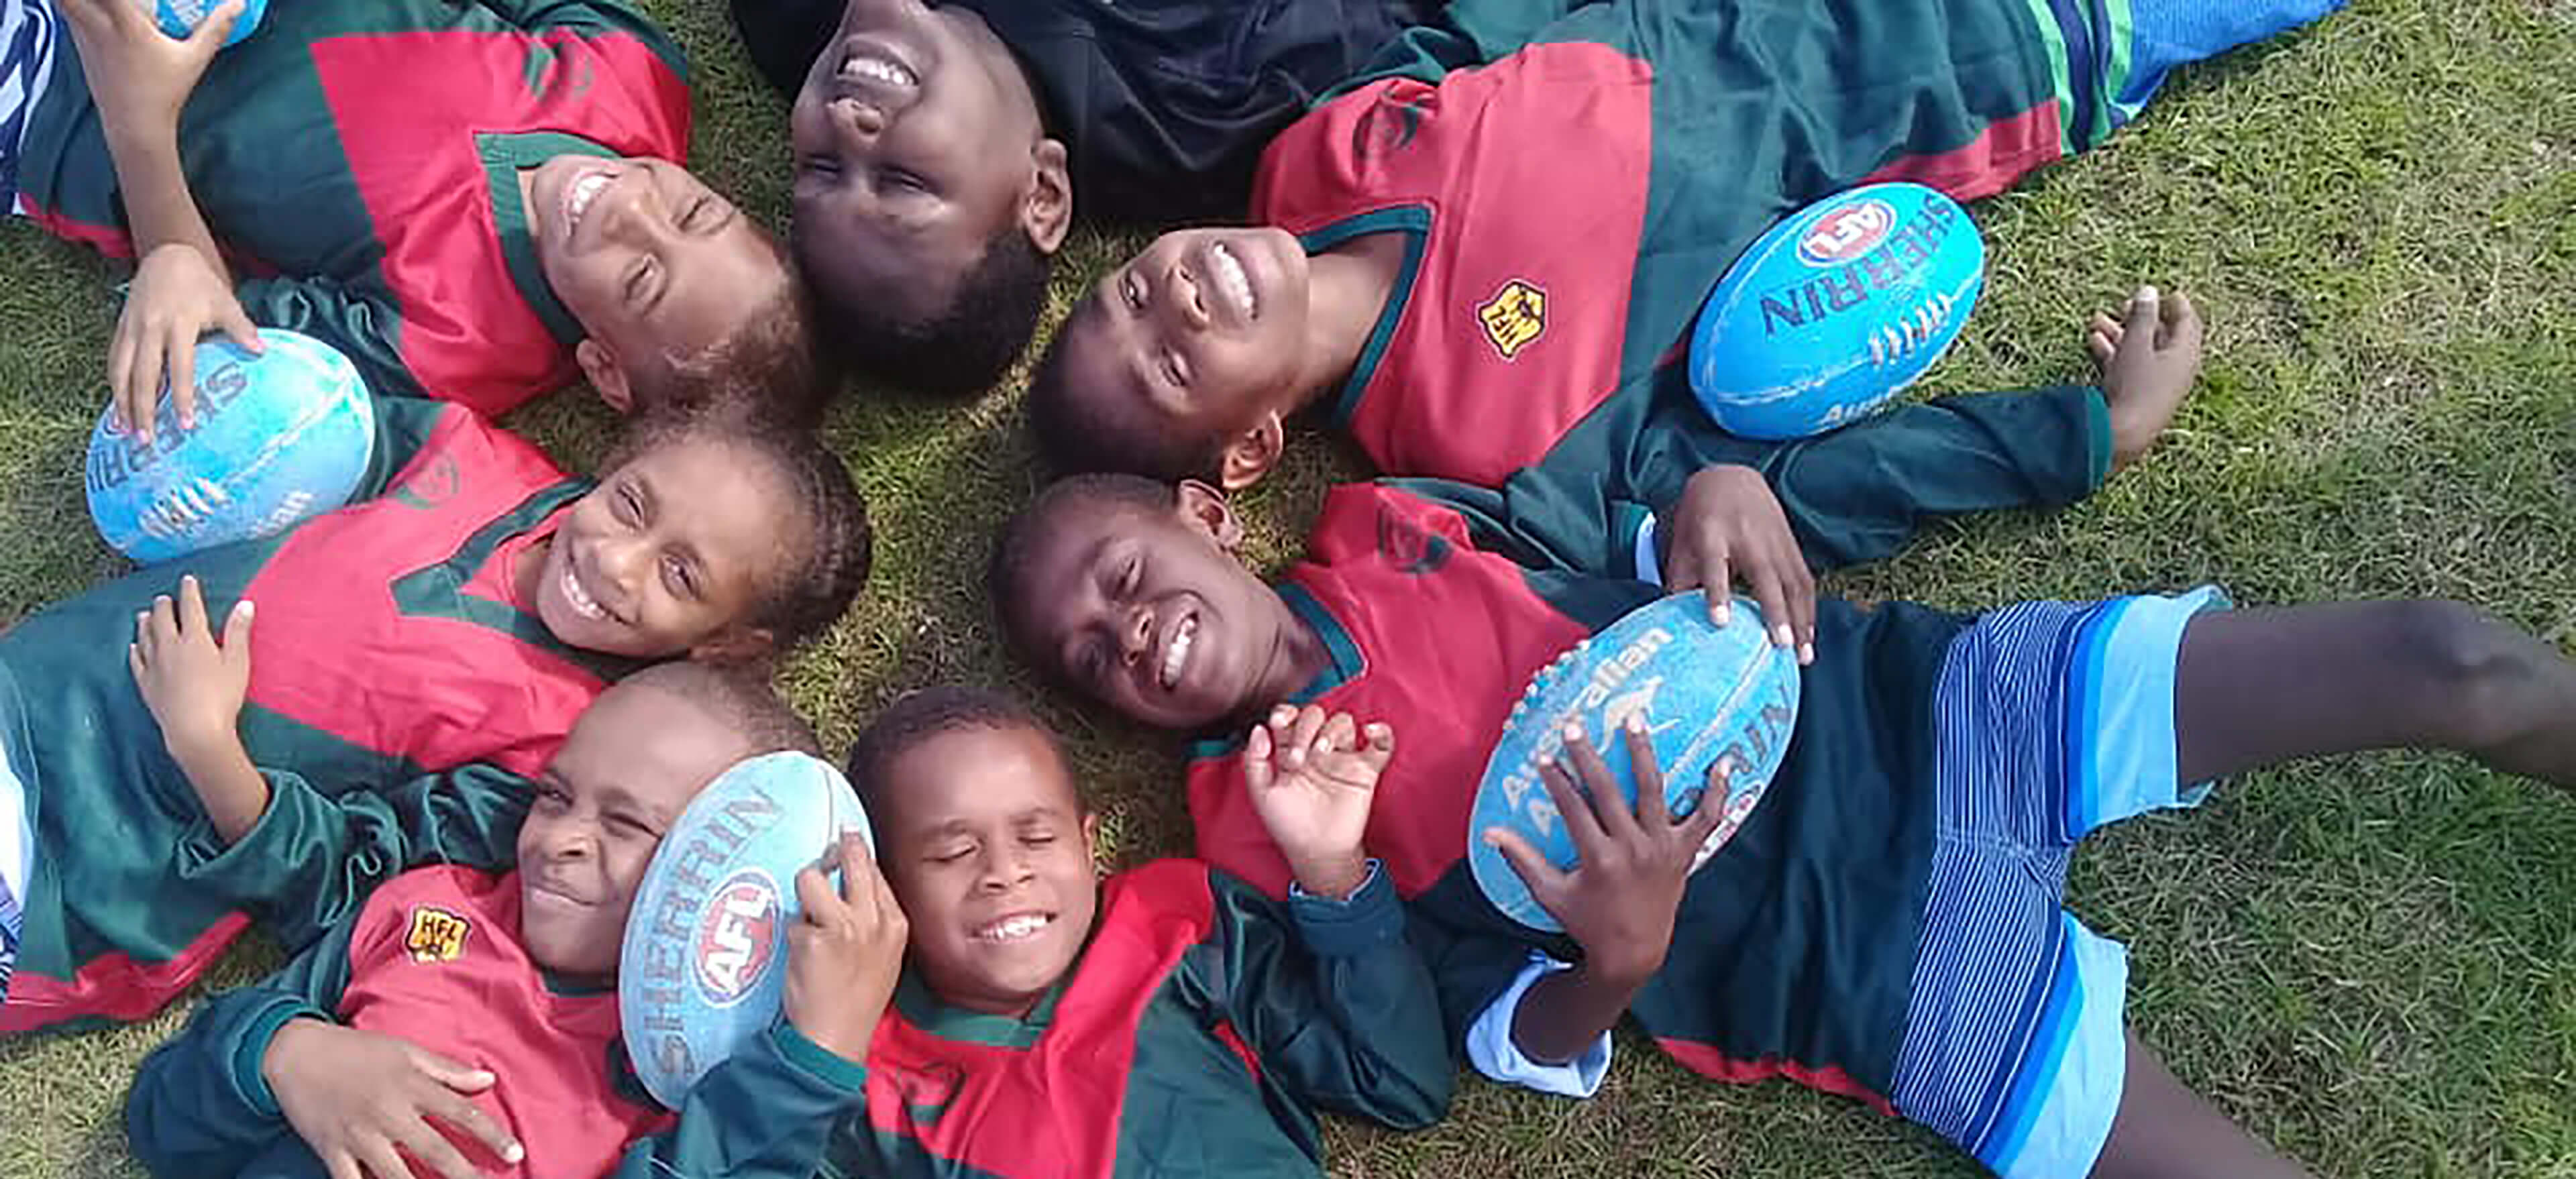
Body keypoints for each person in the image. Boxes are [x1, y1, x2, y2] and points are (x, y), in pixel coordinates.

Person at [986, 471, 2576, 1177]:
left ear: (1209, 514)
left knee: (2448, 659)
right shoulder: (1255, 836)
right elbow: (1439, 1060)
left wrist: (1719, 484)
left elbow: (1638, 529)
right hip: (1865, 976)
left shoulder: (1395, 522)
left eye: (1123, 578)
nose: (1128, 633)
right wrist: (1614, 957)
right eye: (1089, 656)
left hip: (1930, 712)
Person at [1020, 0, 2337, 541]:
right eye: (1175, 359)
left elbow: (1493, 31)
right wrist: (2086, 434)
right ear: (1250, 447)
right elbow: (1788, 498)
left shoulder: (1313, 152)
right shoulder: (1497, 442)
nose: (1177, 297)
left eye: (1135, 293)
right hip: (2009, 47)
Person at [0, 366, 872, 1031]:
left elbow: (345, 890)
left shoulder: (560, 753)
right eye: (631, 504)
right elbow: (309, 430)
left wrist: (206, 747)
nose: (616, 560)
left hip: (80, 863)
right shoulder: (467, 453)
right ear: (618, 463)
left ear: (726, 643)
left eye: (680, 575)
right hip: (35, 681)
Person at [122, 661, 902, 1179]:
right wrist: (287, 1056)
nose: (559, 840)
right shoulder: (426, 909)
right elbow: (163, 1120)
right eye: (554, 796)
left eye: (628, 825)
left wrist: (814, 1060)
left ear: (735, 880)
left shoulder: (692, 1081)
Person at [11, 0, 823, 430]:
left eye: (641, 277)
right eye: (694, 211)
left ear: (605, 368)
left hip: (60, 100)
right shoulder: (636, 78)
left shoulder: (446, 351)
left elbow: (199, 318)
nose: (633, 206)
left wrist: (138, 120)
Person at [816, 685, 1453, 1177]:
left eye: (1037, 837)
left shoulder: (1180, 928)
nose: (1006, 872)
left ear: (1088, 845)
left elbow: (1400, 1084)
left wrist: (1332, 870)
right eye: (954, 853)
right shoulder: (863, 1074)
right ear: (884, 886)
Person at [778, 0, 1448, 398]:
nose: (847, 122)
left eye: (822, 167)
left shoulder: (805, 19)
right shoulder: (1199, 109)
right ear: (1043, 194)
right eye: (902, 179)